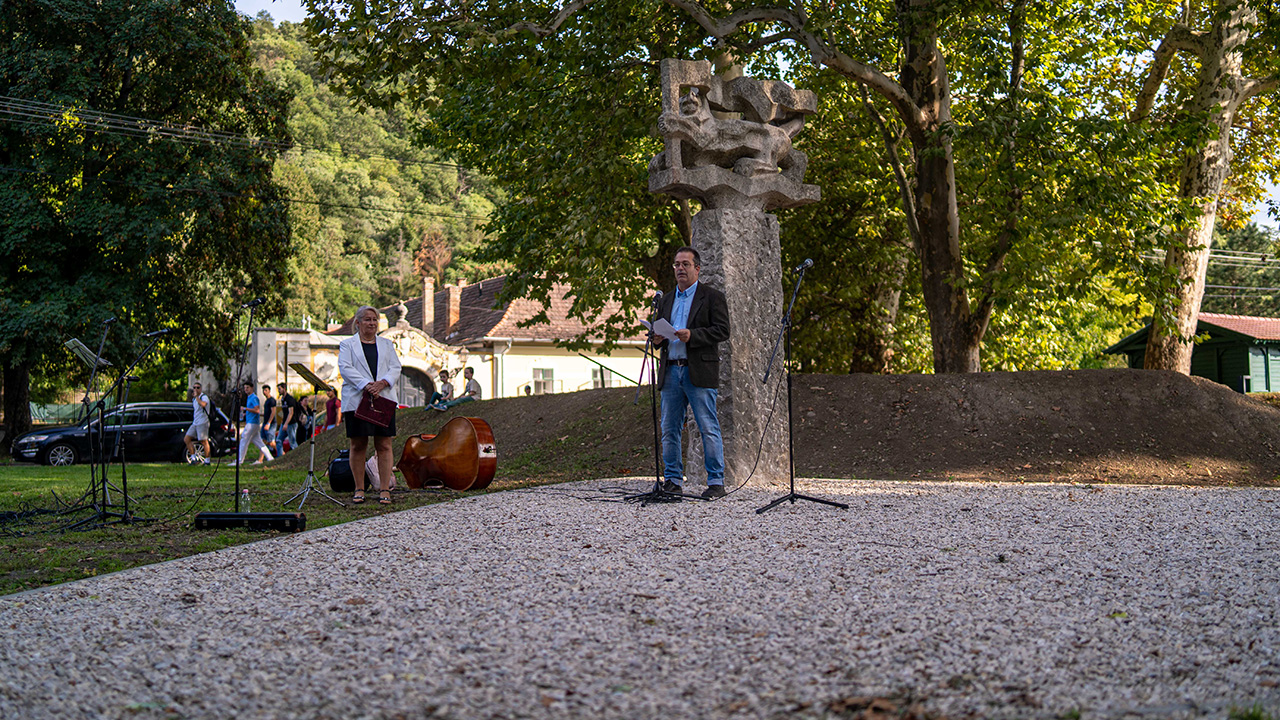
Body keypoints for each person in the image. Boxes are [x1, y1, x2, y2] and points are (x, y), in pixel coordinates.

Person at [650, 246, 730, 499]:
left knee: (708, 426)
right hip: (671, 371)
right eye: (676, 264)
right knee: (669, 428)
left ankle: (716, 482)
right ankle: (672, 481)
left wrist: (692, 335)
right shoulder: (666, 300)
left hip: (698, 370)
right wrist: (657, 338)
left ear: (697, 268)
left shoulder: (712, 296)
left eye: (685, 264)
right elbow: (659, 335)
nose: (680, 269)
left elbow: (722, 330)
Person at [338, 305, 402, 505]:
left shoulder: (386, 345)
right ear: (358, 323)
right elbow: (345, 368)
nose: (372, 323)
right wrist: (366, 385)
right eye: (367, 319)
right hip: (358, 400)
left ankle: (384, 489)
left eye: (374, 319)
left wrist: (382, 383)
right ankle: (359, 488)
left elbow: (395, 367)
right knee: (358, 445)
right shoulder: (347, 345)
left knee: (384, 444)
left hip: (383, 399)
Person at [235, 381, 273, 465]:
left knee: (244, 439)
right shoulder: (249, 397)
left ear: (252, 388)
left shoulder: (254, 398)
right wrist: (246, 413)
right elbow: (253, 410)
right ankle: (270, 458)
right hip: (252, 422)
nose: (246, 390)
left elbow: (257, 410)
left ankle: (239, 460)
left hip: (252, 423)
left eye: (247, 388)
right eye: (245, 388)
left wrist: (245, 409)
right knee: (259, 442)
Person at [183, 381, 212, 465]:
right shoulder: (194, 399)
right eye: (194, 388)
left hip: (203, 422)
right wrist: (195, 398)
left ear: (201, 389)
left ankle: (207, 460)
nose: (196, 389)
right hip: (195, 422)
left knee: (204, 441)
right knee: (187, 439)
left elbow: (203, 404)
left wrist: (197, 397)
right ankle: (193, 458)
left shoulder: (204, 397)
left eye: (198, 387)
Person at [277, 383, 301, 453]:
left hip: (291, 423)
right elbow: (285, 412)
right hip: (284, 422)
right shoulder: (283, 399)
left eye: (280, 389)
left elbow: (291, 412)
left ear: (284, 389)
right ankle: (280, 457)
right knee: (278, 440)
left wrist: (286, 424)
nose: (279, 391)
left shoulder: (290, 399)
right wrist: (283, 421)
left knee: (292, 442)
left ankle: (297, 455)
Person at [260, 384, 278, 455]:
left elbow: (273, 412)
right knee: (263, 440)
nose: (264, 392)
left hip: (271, 423)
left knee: (271, 442)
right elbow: (267, 413)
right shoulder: (266, 401)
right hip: (265, 422)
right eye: (263, 390)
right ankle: (262, 458)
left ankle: (281, 453)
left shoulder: (272, 400)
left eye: (266, 390)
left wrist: (268, 423)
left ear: (269, 391)